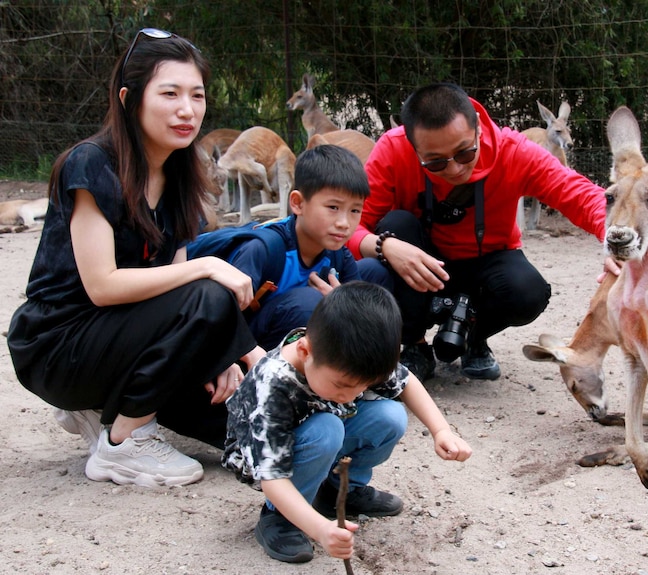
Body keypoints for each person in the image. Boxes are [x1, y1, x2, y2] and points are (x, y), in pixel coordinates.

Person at [6, 28, 265, 488]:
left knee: (232, 425)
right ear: (130, 99)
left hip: (122, 337)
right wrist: (208, 273)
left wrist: (217, 349)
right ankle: (124, 442)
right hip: (57, 345)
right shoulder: (90, 164)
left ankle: (99, 406)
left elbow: (176, 287)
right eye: (170, 93)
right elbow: (103, 286)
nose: (187, 109)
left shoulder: (181, 173)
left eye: (197, 95)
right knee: (209, 290)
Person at [346, 82, 607, 382]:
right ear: (412, 146)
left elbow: (581, 196)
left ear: (479, 128)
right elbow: (349, 228)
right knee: (397, 224)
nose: (455, 169)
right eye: (435, 162)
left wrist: (617, 243)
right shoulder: (393, 149)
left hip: (488, 261)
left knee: (529, 291)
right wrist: (384, 246)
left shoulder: (513, 150)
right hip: (423, 261)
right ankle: (415, 344)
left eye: (464, 153)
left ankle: (472, 336)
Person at [223, 281, 472, 564]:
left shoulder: (348, 357)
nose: (352, 394)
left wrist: (441, 431)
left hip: (325, 421)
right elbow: (271, 475)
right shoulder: (273, 384)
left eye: (362, 385)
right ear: (305, 351)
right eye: (343, 385)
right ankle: (281, 518)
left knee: (390, 416)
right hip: (267, 455)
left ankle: (340, 491)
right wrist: (319, 528)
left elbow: (405, 382)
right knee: (326, 430)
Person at [193, 144, 391, 351]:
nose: (344, 222)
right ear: (297, 203)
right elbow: (218, 318)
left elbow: (357, 309)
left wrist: (343, 305)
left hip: (286, 329)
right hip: (241, 345)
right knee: (310, 302)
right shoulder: (264, 249)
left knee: (376, 275)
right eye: (333, 207)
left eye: (355, 210)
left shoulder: (337, 252)